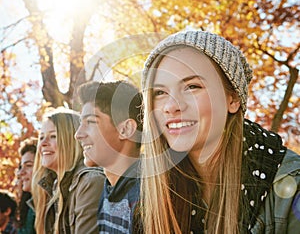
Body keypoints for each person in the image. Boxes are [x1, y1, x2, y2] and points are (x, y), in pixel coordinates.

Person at [139, 30, 300, 233]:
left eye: (192, 86)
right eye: (160, 92)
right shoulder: (155, 191)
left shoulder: (291, 188)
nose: (171, 106)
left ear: (232, 99)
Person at [75, 81, 143, 233]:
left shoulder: (146, 199)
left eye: (91, 122)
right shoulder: (108, 189)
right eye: (81, 123)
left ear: (125, 129)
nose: (78, 134)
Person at [31, 107, 105, 234]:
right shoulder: (52, 187)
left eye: (53, 136)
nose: (43, 143)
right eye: (41, 137)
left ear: (73, 139)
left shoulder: (90, 182)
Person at [17, 138, 37, 234]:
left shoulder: (53, 205)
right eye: (21, 167)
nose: (20, 173)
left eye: (28, 165)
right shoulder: (30, 207)